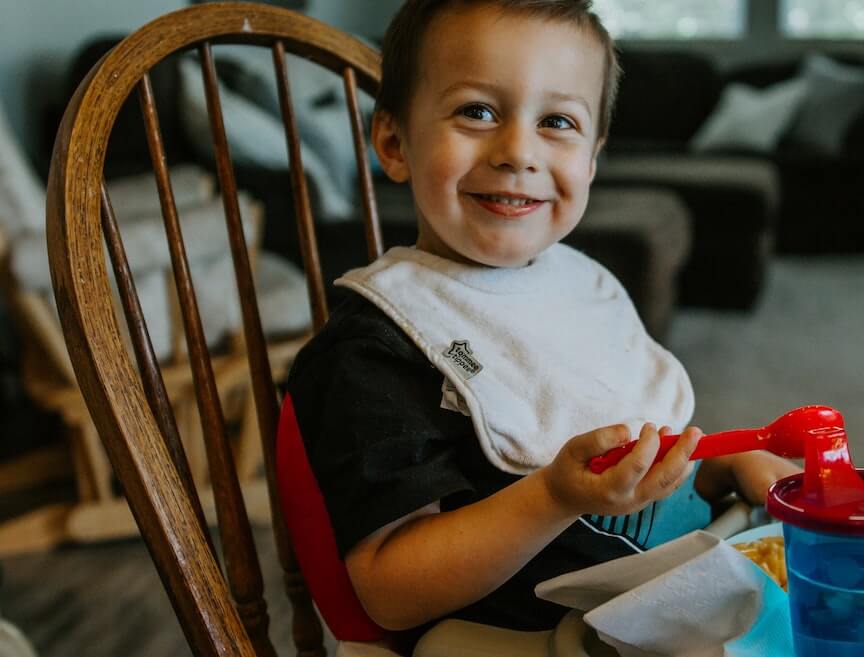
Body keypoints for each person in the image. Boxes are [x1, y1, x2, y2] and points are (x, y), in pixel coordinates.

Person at [284, 0, 801, 650]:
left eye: (557, 121)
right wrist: (552, 496)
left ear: (590, 159)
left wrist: (725, 468)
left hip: (651, 602)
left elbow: (633, 486)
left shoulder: (579, 288)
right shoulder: (379, 346)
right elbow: (387, 591)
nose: (518, 151)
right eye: (477, 111)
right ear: (393, 143)